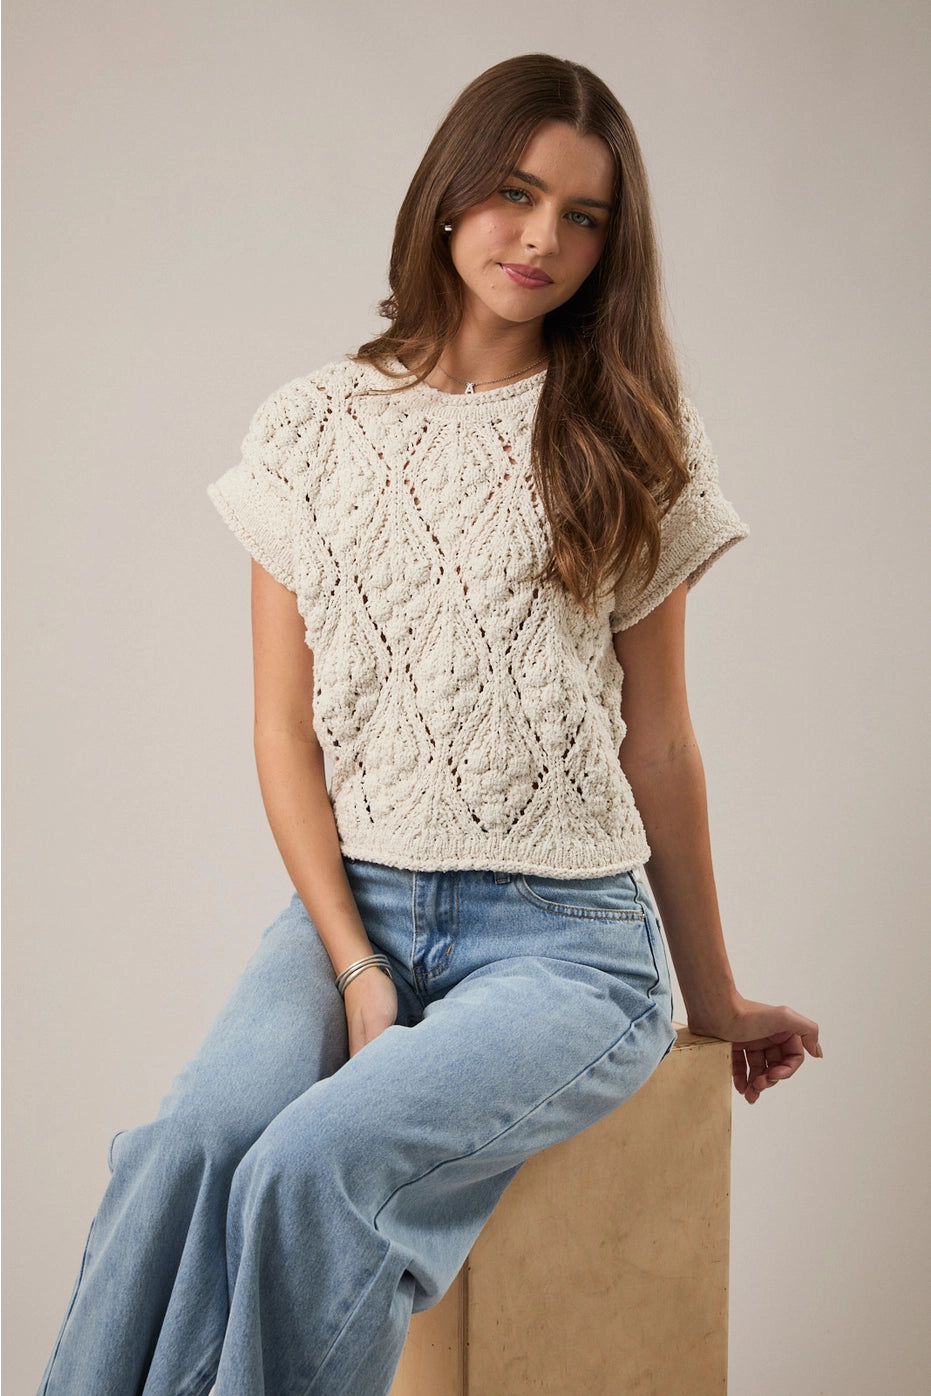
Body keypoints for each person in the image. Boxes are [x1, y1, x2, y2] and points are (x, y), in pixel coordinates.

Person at [37, 51, 821, 1396]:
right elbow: (284, 736)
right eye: (516, 192)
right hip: (355, 907)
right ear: (451, 193)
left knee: (309, 1169)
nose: (543, 238)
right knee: (188, 1150)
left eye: (584, 216)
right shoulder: (311, 427)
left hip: (569, 947)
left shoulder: (625, 430)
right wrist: (357, 966)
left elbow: (659, 743)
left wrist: (714, 998)